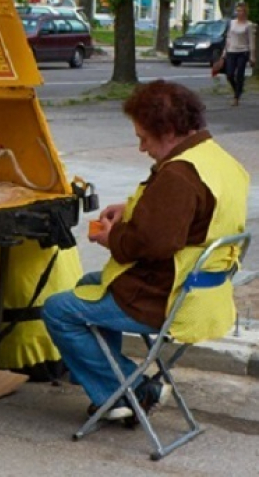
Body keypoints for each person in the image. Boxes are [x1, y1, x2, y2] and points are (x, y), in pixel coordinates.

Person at [42, 80, 249, 420]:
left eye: (143, 138)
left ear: (168, 131)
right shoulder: (214, 159)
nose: (141, 148)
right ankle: (119, 392)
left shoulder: (178, 176)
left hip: (164, 295)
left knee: (58, 310)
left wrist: (114, 238)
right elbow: (190, 217)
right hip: (200, 291)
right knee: (88, 285)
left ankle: (130, 391)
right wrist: (133, 210)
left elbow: (152, 244)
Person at [222, 2, 256, 106]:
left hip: (243, 52)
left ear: (245, 12)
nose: (239, 13)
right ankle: (238, 88)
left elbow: (251, 41)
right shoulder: (232, 23)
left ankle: (236, 97)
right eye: (237, 11)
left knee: (240, 74)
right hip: (232, 51)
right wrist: (224, 52)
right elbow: (228, 38)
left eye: (241, 11)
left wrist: (252, 56)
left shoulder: (249, 25)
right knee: (230, 74)